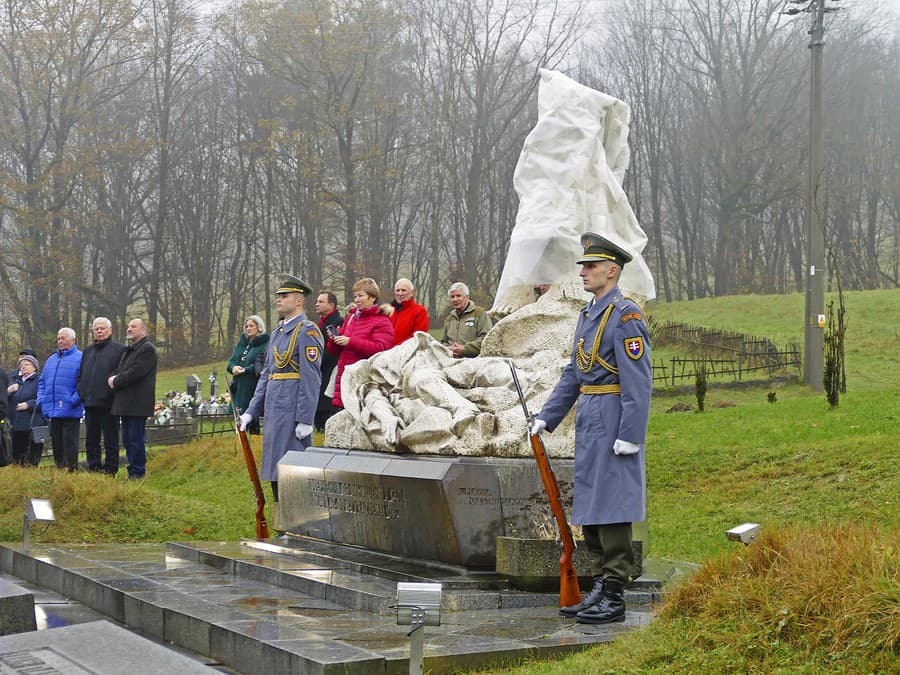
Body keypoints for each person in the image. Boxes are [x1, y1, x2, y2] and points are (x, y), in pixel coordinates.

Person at [530, 233, 652, 625]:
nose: (583, 272)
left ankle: (614, 594)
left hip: (614, 412)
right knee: (593, 504)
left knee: (613, 504)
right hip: (591, 411)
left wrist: (631, 435)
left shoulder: (626, 315)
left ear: (612, 271)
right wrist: (547, 416)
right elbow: (574, 372)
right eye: (583, 265)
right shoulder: (590, 312)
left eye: (591, 266)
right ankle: (600, 583)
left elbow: (638, 383)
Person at [239, 275, 322, 510]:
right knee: (275, 469)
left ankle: (297, 523)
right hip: (275, 410)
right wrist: (251, 411)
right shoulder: (277, 332)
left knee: (293, 471)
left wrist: (305, 418)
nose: (278, 299)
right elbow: (267, 374)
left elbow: (311, 378)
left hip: (293, 409)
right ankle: (282, 522)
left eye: (284, 296)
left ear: (298, 301)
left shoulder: (308, 332)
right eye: (278, 296)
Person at [326, 277, 394, 409]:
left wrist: (350, 342)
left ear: (373, 297)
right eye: (355, 296)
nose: (356, 299)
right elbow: (334, 351)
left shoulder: (382, 321)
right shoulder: (351, 317)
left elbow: (381, 349)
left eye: (361, 295)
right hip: (345, 376)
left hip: (366, 380)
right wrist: (334, 339)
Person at [108, 318, 158, 480]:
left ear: (143, 331)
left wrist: (115, 381)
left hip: (137, 402)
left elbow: (136, 372)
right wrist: (112, 377)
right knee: (128, 439)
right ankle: (133, 470)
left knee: (135, 439)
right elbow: (120, 369)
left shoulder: (147, 349)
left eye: (134, 326)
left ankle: (137, 472)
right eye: (128, 326)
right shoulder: (130, 350)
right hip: (126, 402)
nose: (129, 329)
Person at [77, 317, 126, 474]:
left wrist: (109, 392)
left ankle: (111, 470)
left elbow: (120, 373)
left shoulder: (119, 349)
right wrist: (82, 392)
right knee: (91, 440)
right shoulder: (88, 351)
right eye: (96, 329)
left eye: (102, 328)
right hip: (90, 403)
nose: (99, 331)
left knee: (110, 439)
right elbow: (82, 374)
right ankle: (94, 468)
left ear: (110, 330)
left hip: (109, 403)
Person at [37, 328, 84, 471]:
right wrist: (42, 399)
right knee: (56, 443)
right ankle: (59, 470)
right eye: (58, 338)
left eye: (63, 338)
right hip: (53, 409)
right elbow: (42, 382)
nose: (60, 341)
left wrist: (73, 400)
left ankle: (71, 471)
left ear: (73, 340)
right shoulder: (51, 359)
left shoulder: (81, 357)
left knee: (70, 443)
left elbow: (84, 382)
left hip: (70, 409)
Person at [226, 315, 270, 434]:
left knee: (251, 413)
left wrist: (246, 370)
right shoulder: (242, 343)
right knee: (238, 414)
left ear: (259, 327)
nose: (248, 328)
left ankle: (253, 438)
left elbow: (262, 363)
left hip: (253, 384)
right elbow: (231, 360)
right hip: (238, 385)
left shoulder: (265, 343)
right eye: (246, 326)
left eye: (251, 326)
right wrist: (233, 367)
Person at [7, 354, 44, 466]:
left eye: (27, 364)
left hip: (33, 423)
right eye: (21, 365)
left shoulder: (39, 380)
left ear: (35, 367)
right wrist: (8, 391)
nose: (23, 367)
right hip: (16, 424)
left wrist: (29, 404)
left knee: (31, 456)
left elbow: (44, 399)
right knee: (16, 454)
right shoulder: (15, 381)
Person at [314, 291, 342, 431]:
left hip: (329, 368)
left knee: (325, 403)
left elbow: (334, 349)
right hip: (320, 368)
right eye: (317, 301)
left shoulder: (337, 323)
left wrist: (316, 362)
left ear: (331, 305)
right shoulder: (322, 322)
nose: (317, 304)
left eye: (321, 302)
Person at [441, 282, 492, 358]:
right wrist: (449, 349)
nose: (455, 299)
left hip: (475, 361)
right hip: (452, 362)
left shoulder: (480, 313)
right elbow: (443, 342)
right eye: (452, 297)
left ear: (467, 297)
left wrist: (465, 349)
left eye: (458, 296)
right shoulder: (449, 318)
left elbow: (487, 338)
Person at [387, 277, 429, 347]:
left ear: (412, 292)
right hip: (385, 354)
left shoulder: (420, 311)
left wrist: (396, 350)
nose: (400, 293)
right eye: (397, 290)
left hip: (407, 354)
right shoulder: (388, 311)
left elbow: (418, 337)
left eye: (403, 290)